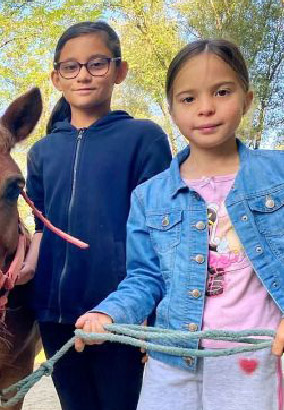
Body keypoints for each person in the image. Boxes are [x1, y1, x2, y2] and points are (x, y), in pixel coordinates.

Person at [75, 39, 284, 410]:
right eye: (188, 98)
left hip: (254, 359)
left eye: (221, 92)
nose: (205, 108)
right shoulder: (148, 197)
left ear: (247, 100)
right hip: (171, 362)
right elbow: (145, 279)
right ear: (171, 110)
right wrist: (107, 313)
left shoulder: (278, 174)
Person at [19, 21, 172, 410]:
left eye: (97, 64)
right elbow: (41, 229)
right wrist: (21, 272)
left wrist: (151, 315)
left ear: (119, 71)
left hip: (121, 312)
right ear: (56, 78)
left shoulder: (145, 137)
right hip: (56, 316)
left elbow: (160, 230)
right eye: (70, 67)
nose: (83, 75)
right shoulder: (41, 153)